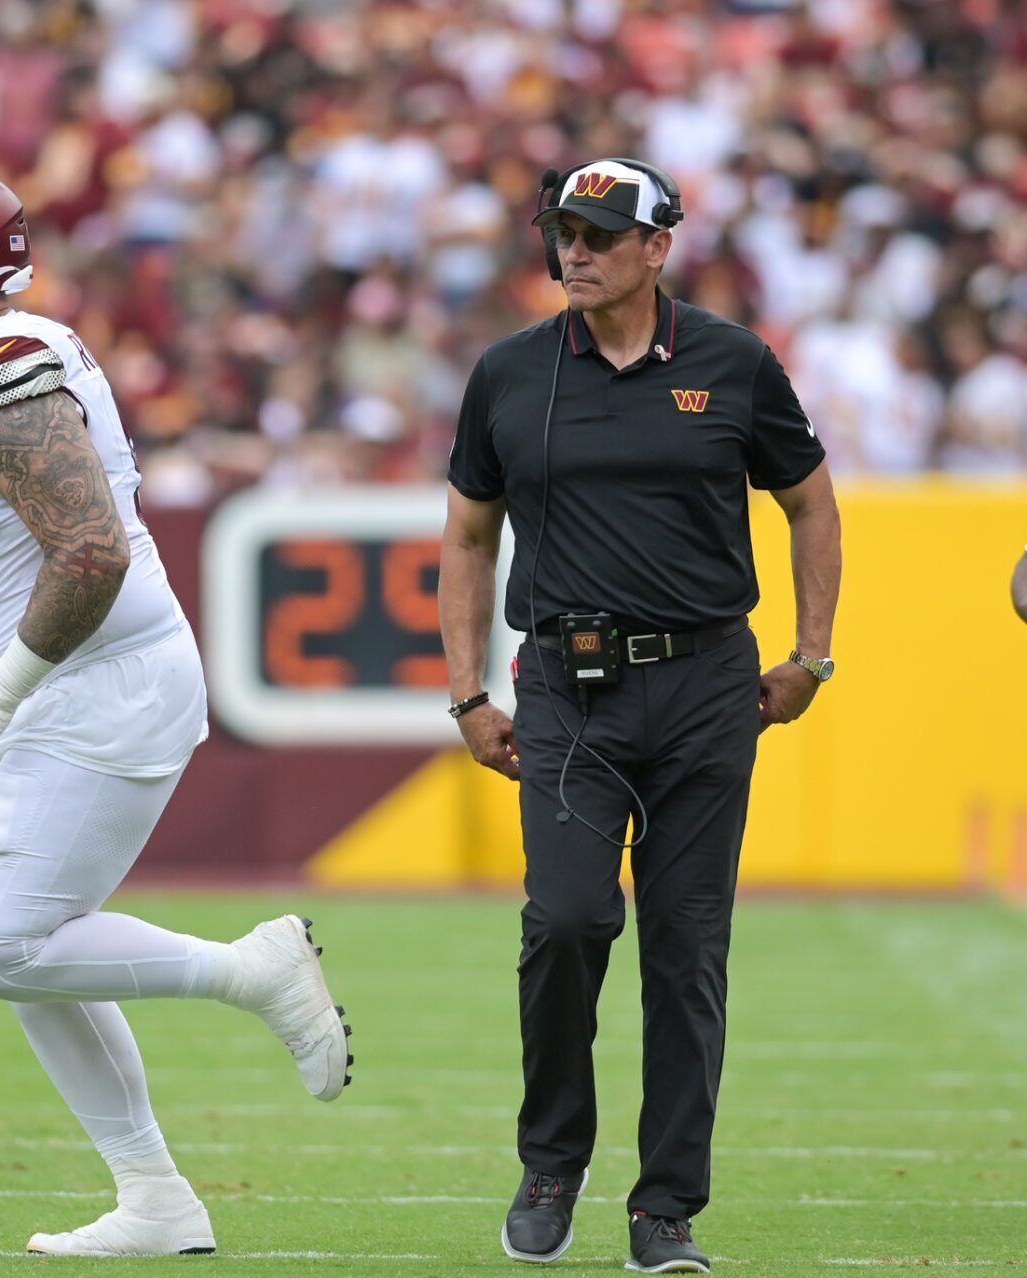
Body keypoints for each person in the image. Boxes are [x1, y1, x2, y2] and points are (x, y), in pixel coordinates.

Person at [0, 165, 353, 1257]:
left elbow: (89, 553)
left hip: (94, 684)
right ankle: (154, 1197)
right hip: (81, 678)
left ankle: (253, 970)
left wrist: (1, 690)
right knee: (30, 943)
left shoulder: (0, 365)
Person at [438, 159, 843, 1274]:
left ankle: (666, 1208)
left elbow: (810, 500)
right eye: (563, 232)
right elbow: (469, 537)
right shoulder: (509, 372)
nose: (576, 251)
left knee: (686, 952)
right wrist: (469, 690)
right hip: (568, 691)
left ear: (658, 247)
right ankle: (552, 1159)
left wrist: (814, 653)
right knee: (565, 922)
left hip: (710, 687)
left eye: (600, 234)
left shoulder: (735, 362)